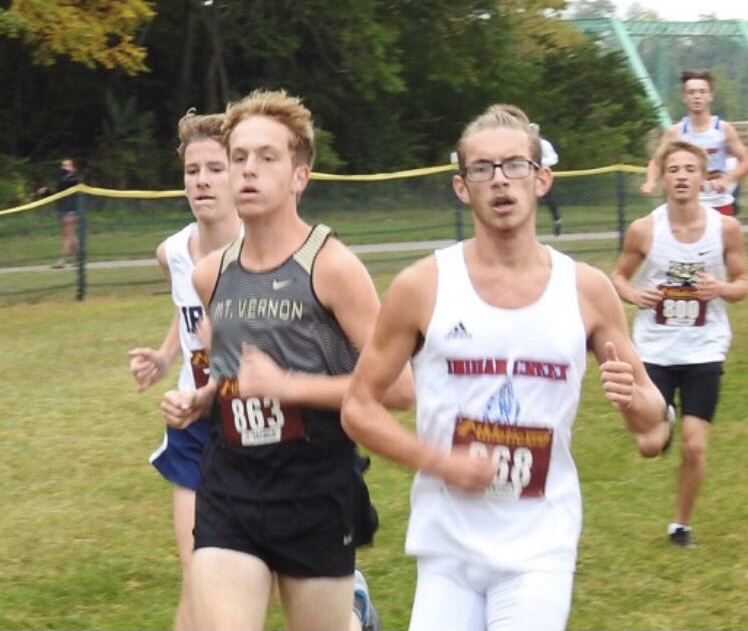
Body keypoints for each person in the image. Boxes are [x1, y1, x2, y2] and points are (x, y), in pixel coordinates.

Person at [341, 103, 671, 631]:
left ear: (541, 179)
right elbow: (358, 408)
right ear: (461, 186)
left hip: (540, 545)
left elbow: (652, 424)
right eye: (483, 169)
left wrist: (635, 397)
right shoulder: (422, 286)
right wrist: (442, 461)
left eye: (515, 165)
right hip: (447, 548)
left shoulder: (586, 290)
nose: (500, 181)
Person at [160, 88, 411, 631]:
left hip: (314, 488)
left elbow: (398, 390)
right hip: (231, 483)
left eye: (267, 158)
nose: (248, 171)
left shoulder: (333, 267)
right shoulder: (211, 274)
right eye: (239, 158)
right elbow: (232, 376)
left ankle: (351, 617)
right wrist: (200, 399)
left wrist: (290, 386)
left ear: (299, 175)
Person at [128, 109, 242, 630]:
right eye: (192, 171)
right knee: (199, 574)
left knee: (264, 572)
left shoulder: (262, 248)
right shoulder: (173, 251)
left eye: (215, 169)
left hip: (259, 422)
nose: (202, 181)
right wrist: (166, 354)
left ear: (237, 172)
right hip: (193, 426)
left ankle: (349, 600)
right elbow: (184, 305)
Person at [612, 139, 748, 548]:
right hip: (654, 349)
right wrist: (635, 296)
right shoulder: (644, 230)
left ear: (703, 177)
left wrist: (720, 287)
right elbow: (618, 277)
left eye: (690, 169)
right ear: (664, 178)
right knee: (650, 446)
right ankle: (662, 418)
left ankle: (680, 526)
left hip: (704, 348)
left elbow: (742, 284)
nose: (682, 176)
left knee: (693, 446)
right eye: (674, 170)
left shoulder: (724, 228)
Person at [640, 68, 748, 216]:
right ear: (684, 97)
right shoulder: (675, 132)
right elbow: (657, 161)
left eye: (702, 92)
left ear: (711, 96)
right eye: (691, 92)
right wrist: (650, 182)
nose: (697, 96)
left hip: (719, 203)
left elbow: (745, 160)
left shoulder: (723, 129)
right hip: (688, 204)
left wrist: (727, 180)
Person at [38, 157, 82, 268]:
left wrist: (69, 175)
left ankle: (61, 261)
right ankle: (80, 258)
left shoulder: (75, 179)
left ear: (73, 168)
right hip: (62, 209)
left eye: (67, 166)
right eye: (63, 166)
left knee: (67, 236)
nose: (64, 168)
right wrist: (46, 191)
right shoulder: (62, 180)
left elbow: (73, 183)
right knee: (70, 235)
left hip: (71, 210)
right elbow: (57, 195)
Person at [530, 122, 563, 235]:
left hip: (541, 176)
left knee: (549, 200)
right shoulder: (525, 145)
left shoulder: (544, 144)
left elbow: (554, 158)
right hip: (528, 176)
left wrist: (540, 163)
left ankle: (557, 221)